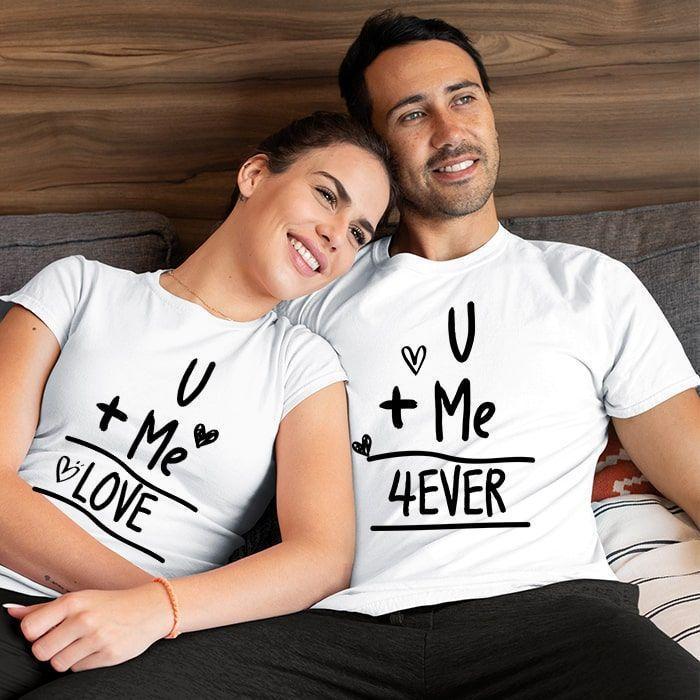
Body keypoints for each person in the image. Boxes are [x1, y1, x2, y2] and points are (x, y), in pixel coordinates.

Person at [19, 10, 700, 699]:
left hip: (551, 617)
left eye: (464, 98)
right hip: (339, 632)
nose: (449, 130)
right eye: (412, 114)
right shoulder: (311, 286)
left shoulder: (591, 286)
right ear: (376, 147)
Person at [0, 111, 392, 698]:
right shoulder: (80, 287)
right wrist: (143, 602)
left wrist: (154, 617)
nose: (338, 234)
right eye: (326, 195)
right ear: (254, 175)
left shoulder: (305, 367)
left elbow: (321, 557)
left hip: (150, 656)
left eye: (359, 233)